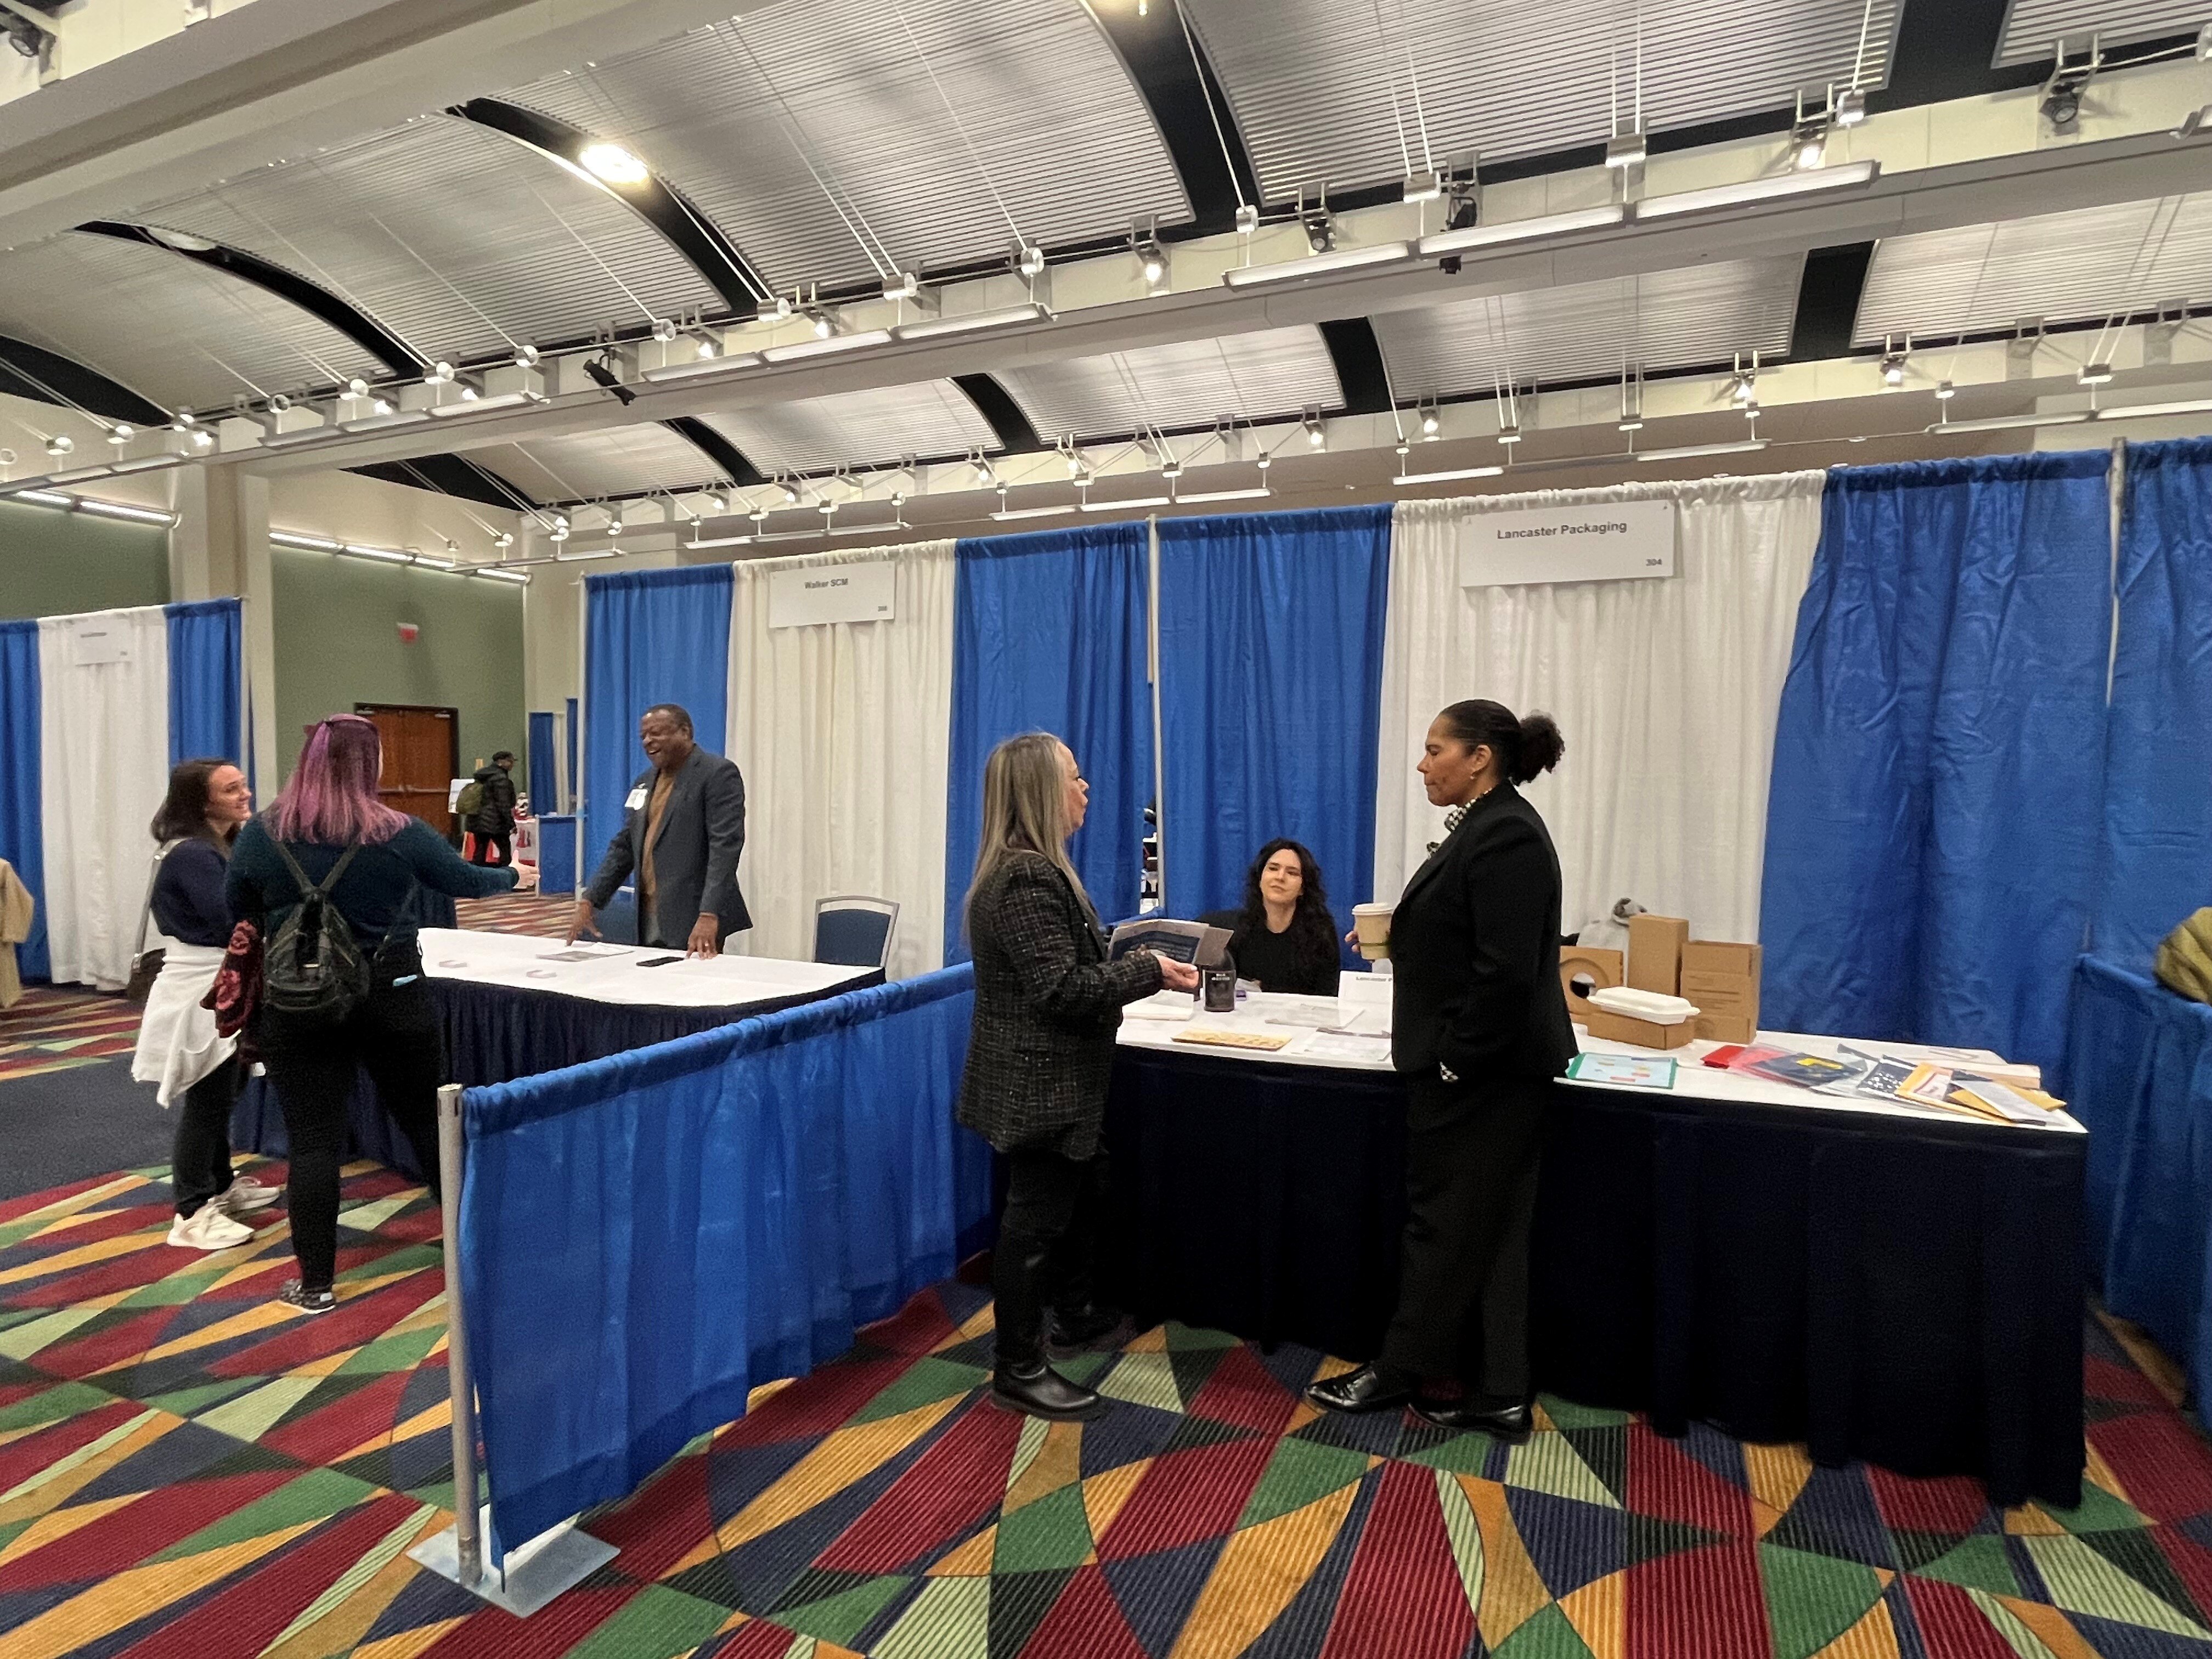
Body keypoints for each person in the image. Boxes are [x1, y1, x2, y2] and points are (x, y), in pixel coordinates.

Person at [1306, 699, 1573, 1437]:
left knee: (1441, 1226)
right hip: (1494, 1073)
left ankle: (1399, 1372)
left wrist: (1456, 1059)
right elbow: (1472, 942)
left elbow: (1506, 973)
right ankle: (1501, 1390)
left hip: (1483, 1077)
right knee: (1491, 1232)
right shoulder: (1493, 827)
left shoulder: (1507, 835)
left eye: (1435, 750)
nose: (1423, 765)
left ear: (1479, 756)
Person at [229, 715, 519, 1313]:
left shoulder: (263, 834)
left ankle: (315, 1284)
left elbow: (235, 906)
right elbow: (465, 881)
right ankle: (474, 1260)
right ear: (371, 765)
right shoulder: (399, 832)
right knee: (430, 1128)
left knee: (313, 1144)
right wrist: (514, 874)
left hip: (299, 1003)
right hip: (394, 997)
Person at [958, 731, 1201, 1420]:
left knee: (1080, 1192)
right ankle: (1018, 1367)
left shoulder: (1032, 869)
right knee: (1032, 1226)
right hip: (1040, 1086)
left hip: (1054, 1082)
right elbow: (1062, 990)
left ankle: (1071, 1314)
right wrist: (1150, 968)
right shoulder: (1026, 876)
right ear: (1040, 790)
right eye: (1074, 776)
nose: (1086, 788)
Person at [131, 759, 281, 1250]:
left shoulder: (218, 845)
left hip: (223, 979)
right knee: (208, 1099)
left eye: (243, 784)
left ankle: (218, 1187)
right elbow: (229, 920)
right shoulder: (194, 855)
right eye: (231, 788)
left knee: (226, 1089)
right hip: (205, 988)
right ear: (202, 802)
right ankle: (191, 1212)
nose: (245, 794)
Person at [570, 704, 748, 958]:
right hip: (649, 913)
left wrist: (710, 913)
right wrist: (591, 899)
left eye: (656, 733)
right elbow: (625, 846)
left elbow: (725, 847)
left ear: (685, 732)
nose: (647, 741)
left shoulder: (717, 773)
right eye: (643, 736)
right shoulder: (644, 781)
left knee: (693, 992)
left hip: (696, 914)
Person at [1200, 838, 1341, 996]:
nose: (1280, 877)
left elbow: (1328, 996)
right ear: (1260, 878)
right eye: (1273, 869)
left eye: (1292, 873)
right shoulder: (1237, 930)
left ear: (1303, 888)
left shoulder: (1321, 931)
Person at [465, 751, 519, 866]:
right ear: (500, 762)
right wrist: (511, 824)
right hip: (495, 822)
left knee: (480, 852)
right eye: (510, 761)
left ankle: (477, 878)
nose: (512, 764)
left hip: (477, 820)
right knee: (505, 852)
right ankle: (505, 879)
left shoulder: (482, 777)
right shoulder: (501, 780)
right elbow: (503, 804)